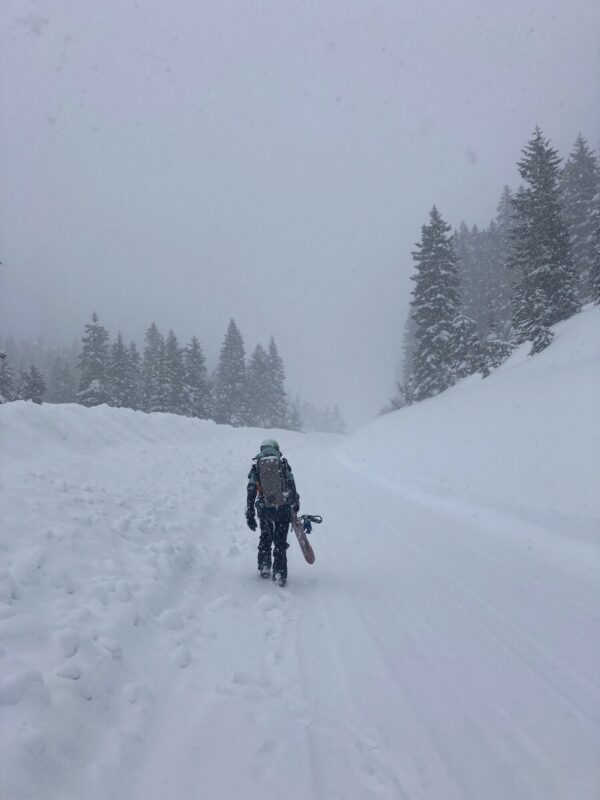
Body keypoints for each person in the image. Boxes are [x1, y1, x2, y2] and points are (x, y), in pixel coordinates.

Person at [245, 439, 300, 587]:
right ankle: (279, 574)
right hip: (283, 509)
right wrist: (295, 505)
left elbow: (251, 490)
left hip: (265, 510)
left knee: (265, 537)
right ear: (276, 448)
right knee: (280, 543)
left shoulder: (257, 466)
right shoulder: (282, 464)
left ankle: (264, 566)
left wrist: (250, 512)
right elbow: (292, 486)